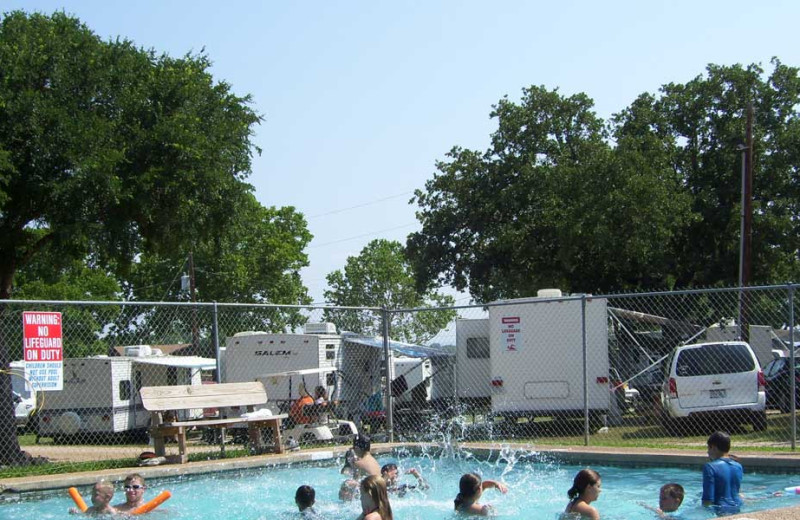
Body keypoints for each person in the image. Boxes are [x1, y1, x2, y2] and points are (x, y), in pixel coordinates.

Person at [702, 431, 743, 515]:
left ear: (713, 447)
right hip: (738, 506)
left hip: (720, 509)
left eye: (708, 448)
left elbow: (708, 500)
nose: (707, 452)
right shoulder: (738, 466)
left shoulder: (710, 467)